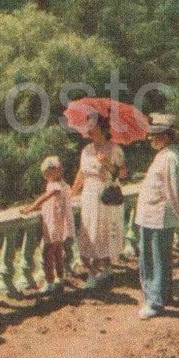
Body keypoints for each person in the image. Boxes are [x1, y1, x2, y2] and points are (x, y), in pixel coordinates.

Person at [134, 113, 179, 320]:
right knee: (155, 257)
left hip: (159, 217)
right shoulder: (163, 155)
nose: (150, 138)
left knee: (155, 259)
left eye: (154, 135)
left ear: (166, 135)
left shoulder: (170, 157)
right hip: (151, 216)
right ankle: (162, 295)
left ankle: (155, 301)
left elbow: (173, 190)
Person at [71, 115, 128, 289]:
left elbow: (123, 173)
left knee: (101, 233)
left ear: (102, 128)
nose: (88, 130)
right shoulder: (87, 149)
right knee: (90, 232)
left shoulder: (114, 149)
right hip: (89, 195)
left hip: (105, 195)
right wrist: (72, 192)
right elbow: (82, 172)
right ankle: (106, 269)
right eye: (87, 126)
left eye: (92, 126)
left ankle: (93, 274)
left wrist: (107, 163)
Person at [21, 156, 75, 295]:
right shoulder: (63, 184)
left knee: (48, 252)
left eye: (47, 174)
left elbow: (45, 197)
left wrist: (31, 208)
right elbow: (53, 202)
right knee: (57, 251)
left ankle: (50, 282)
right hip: (57, 222)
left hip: (54, 223)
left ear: (55, 171)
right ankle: (60, 278)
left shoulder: (56, 185)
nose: (46, 177)